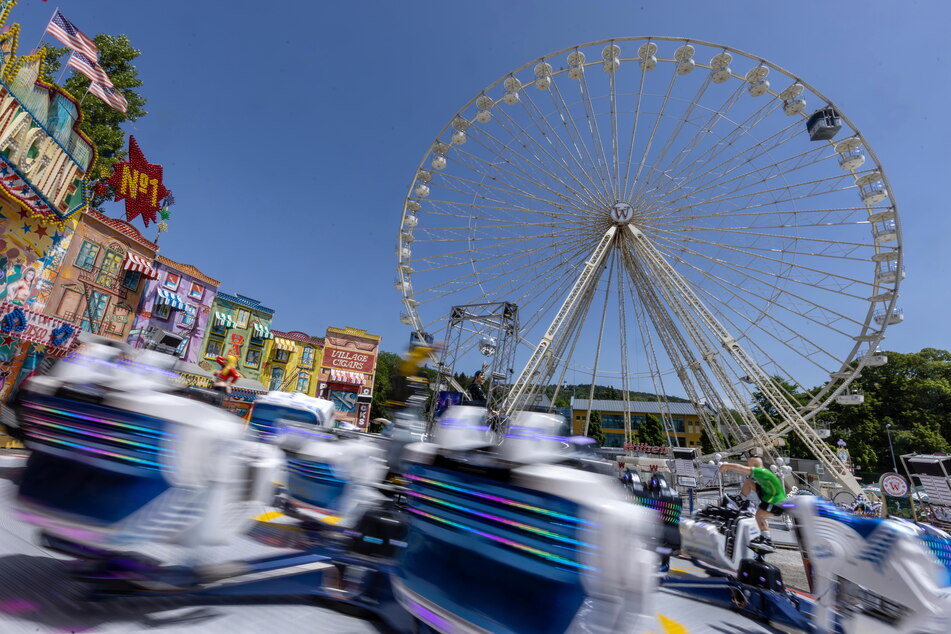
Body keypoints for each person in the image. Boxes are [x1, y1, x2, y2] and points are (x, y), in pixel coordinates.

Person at [719, 456, 787, 548]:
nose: (747, 465)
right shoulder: (761, 473)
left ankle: (767, 540)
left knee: (759, 516)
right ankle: (740, 500)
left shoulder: (761, 472)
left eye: (749, 464)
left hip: (776, 500)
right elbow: (741, 471)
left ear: (754, 464)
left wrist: (725, 465)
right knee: (749, 482)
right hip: (767, 495)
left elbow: (741, 469)